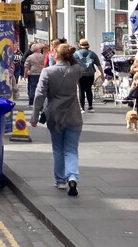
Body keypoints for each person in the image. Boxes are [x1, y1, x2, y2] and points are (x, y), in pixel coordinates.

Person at [31, 43, 84, 196]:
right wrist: (70, 57)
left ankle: (60, 180)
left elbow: (39, 95)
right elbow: (77, 65)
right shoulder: (76, 70)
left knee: (58, 149)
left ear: (55, 55)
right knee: (71, 149)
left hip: (55, 116)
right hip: (74, 115)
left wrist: (35, 116)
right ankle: (72, 176)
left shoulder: (48, 71)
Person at [74, 39, 103, 113]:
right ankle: (90, 107)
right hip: (90, 74)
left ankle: (82, 107)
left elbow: (71, 64)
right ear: (88, 45)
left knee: (81, 90)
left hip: (80, 74)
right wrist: (102, 74)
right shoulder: (92, 54)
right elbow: (98, 65)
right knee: (89, 89)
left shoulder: (76, 54)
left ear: (80, 45)